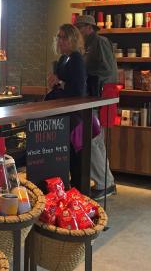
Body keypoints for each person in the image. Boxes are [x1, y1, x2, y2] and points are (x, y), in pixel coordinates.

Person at [74, 14, 117, 200]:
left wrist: (85, 75)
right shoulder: (88, 45)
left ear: (89, 28)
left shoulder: (100, 42)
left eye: (80, 27)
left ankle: (103, 183)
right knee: (96, 139)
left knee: (92, 139)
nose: (78, 31)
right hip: (97, 94)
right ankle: (106, 182)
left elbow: (108, 70)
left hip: (102, 94)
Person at [46, 23, 87, 189]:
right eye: (59, 37)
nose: (60, 41)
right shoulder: (63, 59)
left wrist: (59, 82)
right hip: (60, 110)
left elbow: (77, 89)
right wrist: (54, 83)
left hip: (72, 114)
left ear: (73, 39)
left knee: (73, 155)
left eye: (64, 37)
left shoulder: (76, 58)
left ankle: (77, 191)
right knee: (62, 153)